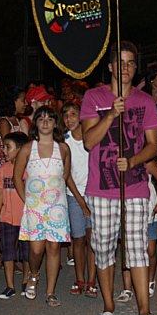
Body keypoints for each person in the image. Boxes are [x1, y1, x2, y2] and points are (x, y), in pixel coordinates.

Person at [80, 40, 157, 315]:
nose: (126, 68)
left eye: (131, 63)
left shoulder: (145, 101)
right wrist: (110, 114)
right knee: (104, 248)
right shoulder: (93, 97)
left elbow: (153, 145)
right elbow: (89, 141)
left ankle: (145, 312)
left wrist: (132, 161)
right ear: (110, 67)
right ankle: (108, 307)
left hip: (135, 186)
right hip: (102, 188)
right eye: (121, 62)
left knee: (137, 249)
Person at [14, 106, 71, 307]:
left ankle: (50, 291)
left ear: (55, 123)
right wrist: (27, 200)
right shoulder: (27, 148)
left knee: (54, 247)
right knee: (36, 249)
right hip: (35, 207)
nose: (45, 122)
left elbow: (65, 176)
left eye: (50, 119)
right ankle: (34, 274)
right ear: (35, 124)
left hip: (57, 207)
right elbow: (17, 177)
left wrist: (56, 193)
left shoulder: (63, 148)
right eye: (41, 119)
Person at [117, 159, 157, 302]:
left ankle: (150, 280)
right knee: (127, 251)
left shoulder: (146, 160)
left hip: (148, 211)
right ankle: (127, 288)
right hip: (126, 210)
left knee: (150, 250)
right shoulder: (118, 160)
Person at [62, 100, 97, 298]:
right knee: (78, 239)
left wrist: (89, 199)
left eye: (73, 114)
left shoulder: (92, 136)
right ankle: (79, 278)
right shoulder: (64, 142)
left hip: (94, 194)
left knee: (93, 239)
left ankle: (92, 280)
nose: (69, 119)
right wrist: (81, 201)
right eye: (66, 115)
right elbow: (66, 175)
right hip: (74, 195)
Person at [0, 132, 30, 299]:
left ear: (21, 149)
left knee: (26, 253)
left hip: (26, 218)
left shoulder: (29, 170)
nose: (4, 150)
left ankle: (26, 281)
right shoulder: (3, 169)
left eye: (8, 147)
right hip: (7, 217)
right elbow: (0, 194)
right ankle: (9, 285)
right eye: (4, 147)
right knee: (7, 252)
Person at [0, 85, 27, 163]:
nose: (26, 103)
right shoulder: (4, 122)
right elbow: (8, 146)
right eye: (23, 100)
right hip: (4, 164)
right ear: (12, 101)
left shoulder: (17, 120)